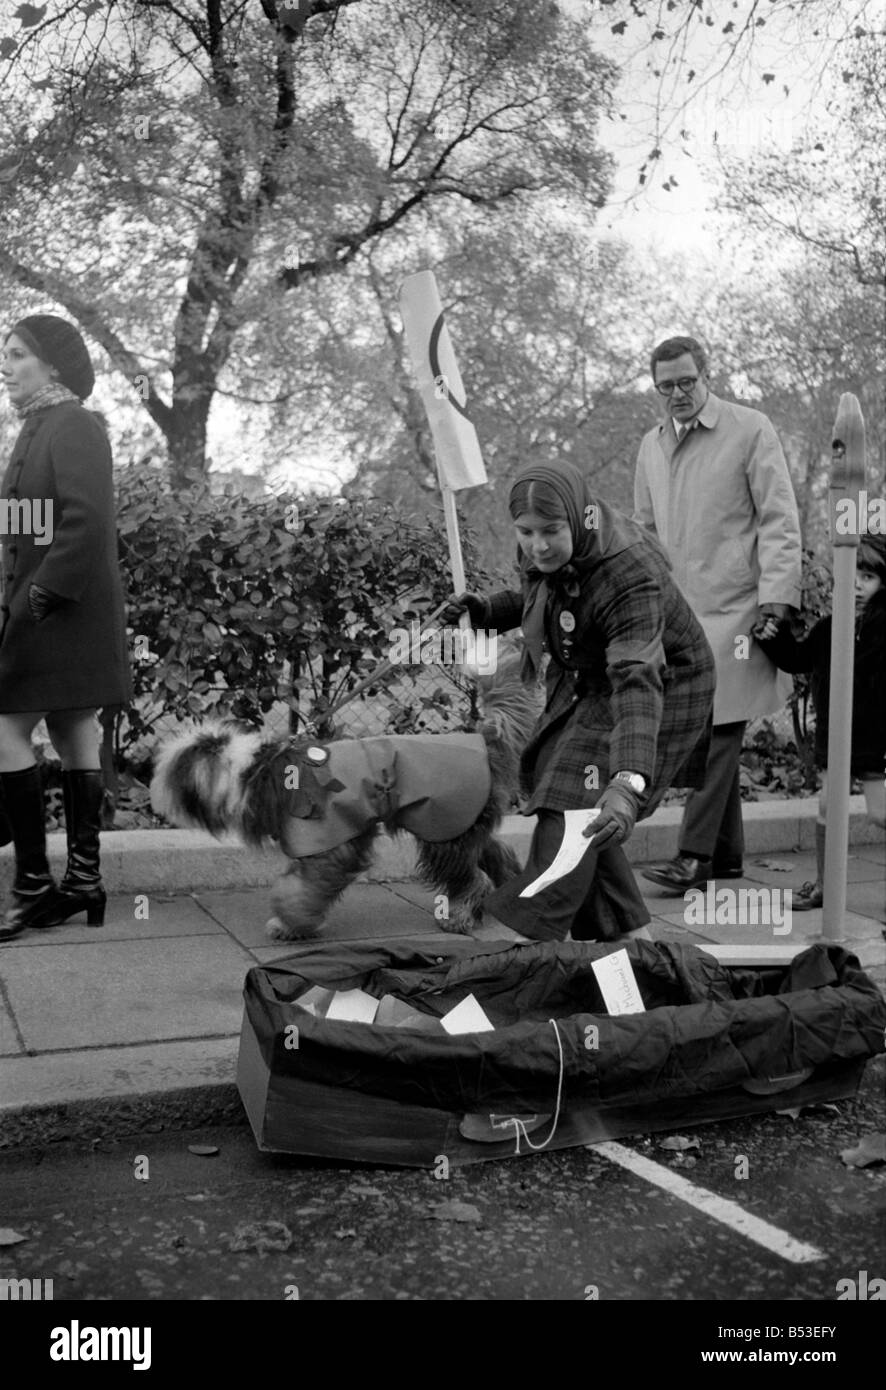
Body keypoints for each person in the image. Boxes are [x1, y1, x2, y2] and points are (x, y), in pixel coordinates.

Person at [442, 461, 715, 943]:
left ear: (578, 516)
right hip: (593, 678)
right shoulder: (542, 549)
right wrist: (486, 612)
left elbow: (636, 678)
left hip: (663, 684)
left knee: (570, 803)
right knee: (574, 792)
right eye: (525, 532)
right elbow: (540, 596)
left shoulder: (630, 573)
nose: (537, 544)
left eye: (551, 530)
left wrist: (627, 782)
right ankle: (632, 949)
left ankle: (528, 941)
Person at [633, 335, 802, 894]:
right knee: (716, 723)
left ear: (707, 374)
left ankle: (691, 855)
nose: (676, 394)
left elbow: (779, 518)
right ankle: (726, 857)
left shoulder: (750, 429)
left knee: (717, 728)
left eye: (685, 382)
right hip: (680, 616)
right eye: (665, 386)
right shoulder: (650, 447)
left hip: (739, 613)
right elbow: (644, 533)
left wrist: (778, 600)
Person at [0, 314, 132, 940]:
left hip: (59, 610)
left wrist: (36, 598)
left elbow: (86, 520)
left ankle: (31, 889)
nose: (6, 366)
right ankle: (83, 884)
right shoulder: (38, 428)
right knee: (76, 728)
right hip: (51, 609)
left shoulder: (73, 424)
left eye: (18, 354)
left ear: (52, 365)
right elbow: (26, 527)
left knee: (3, 728)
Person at [756, 535, 886, 908]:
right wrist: (773, 636)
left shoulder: (883, 627)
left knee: (880, 814)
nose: (858, 584)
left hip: (873, 738)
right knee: (829, 808)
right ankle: (826, 885)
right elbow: (797, 660)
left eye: (869, 577)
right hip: (835, 734)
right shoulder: (831, 626)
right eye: (852, 574)